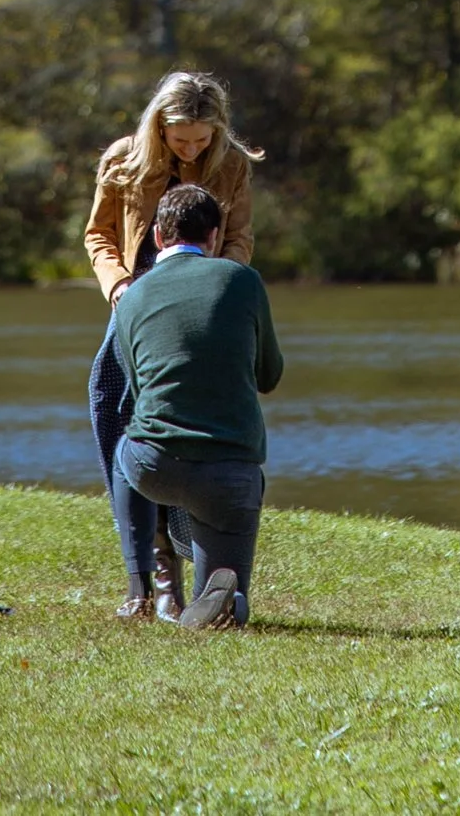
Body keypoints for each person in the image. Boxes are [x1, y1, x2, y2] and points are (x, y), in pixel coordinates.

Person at [84, 69, 264, 603]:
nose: (190, 148)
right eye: (178, 137)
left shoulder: (231, 163)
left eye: (200, 139)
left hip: (201, 308)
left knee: (189, 427)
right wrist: (118, 288)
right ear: (157, 126)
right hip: (134, 303)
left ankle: (194, 559)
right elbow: (98, 234)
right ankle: (150, 580)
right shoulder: (123, 160)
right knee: (116, 412)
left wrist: (218, 286)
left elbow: (239, 237)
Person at [107, 180, 283, 631]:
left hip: (155, 464)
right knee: (227, 582)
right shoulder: (242, 280)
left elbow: (138, 387)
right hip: (232, 470)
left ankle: (141, 581)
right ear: (214, 236)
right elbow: (270, 376)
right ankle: (225, 602)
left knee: (123, 446)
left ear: (159, 237)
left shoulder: (131, 298)